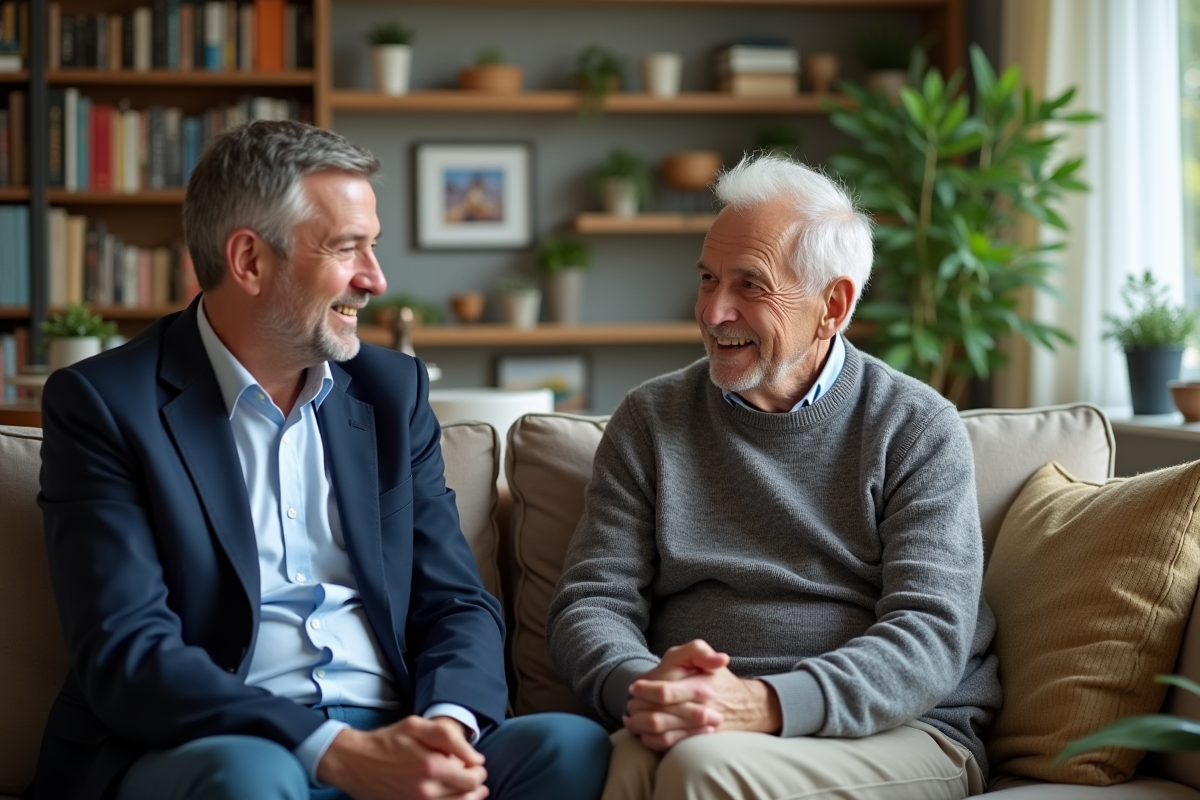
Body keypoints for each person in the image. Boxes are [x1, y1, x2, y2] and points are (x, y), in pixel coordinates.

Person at [35, 120, 611, 800]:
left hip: (397, 726)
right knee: (252, 778)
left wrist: (445, 728)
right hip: (222, 745)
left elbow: (455, 602)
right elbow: (128, 651)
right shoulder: (106, 405)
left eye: (373, 246)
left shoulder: (391, 392)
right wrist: (334, 751)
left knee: (568, 746)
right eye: (347, 248)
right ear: (249, 261)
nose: (376, 279)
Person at [546, 154, 1000, 800]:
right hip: (696, 724)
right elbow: (592, 601)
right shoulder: (651, 419)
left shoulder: (915, 426)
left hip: (897, 729)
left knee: (699, 769)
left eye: (750, 286)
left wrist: (763, 704)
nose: (713, 312)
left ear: (832, 306)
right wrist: (644, 689)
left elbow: (929, 635)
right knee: (627, 762)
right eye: (708, 279)